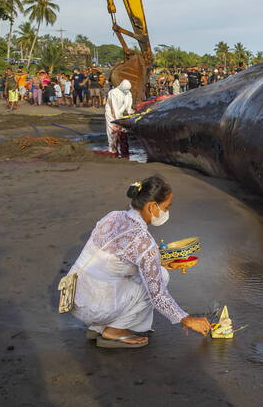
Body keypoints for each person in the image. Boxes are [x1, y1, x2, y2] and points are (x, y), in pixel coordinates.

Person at [67, 176, 211, 347]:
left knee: (133, 275)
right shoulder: (143, 240)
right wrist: (187, 319)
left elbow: (119, 260)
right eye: (166, 207)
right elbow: (158, 295)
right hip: (95, 308)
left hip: (74, 299)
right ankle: (114, 330)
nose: (166, 212)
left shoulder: (113, 216)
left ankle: (98, 327)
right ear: (152, 207)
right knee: (161, 278)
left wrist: (159, 261)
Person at [105, 79, 134, 157]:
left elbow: (128, 105)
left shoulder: (128, 93)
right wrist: (117, 120)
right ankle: (112, 149)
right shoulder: (113, 92)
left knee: (123, 131)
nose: (126, 91)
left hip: (121, 113)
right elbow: (114, 107)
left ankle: (123, 149)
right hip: (110, 113)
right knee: (112, 131)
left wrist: (130, 112)